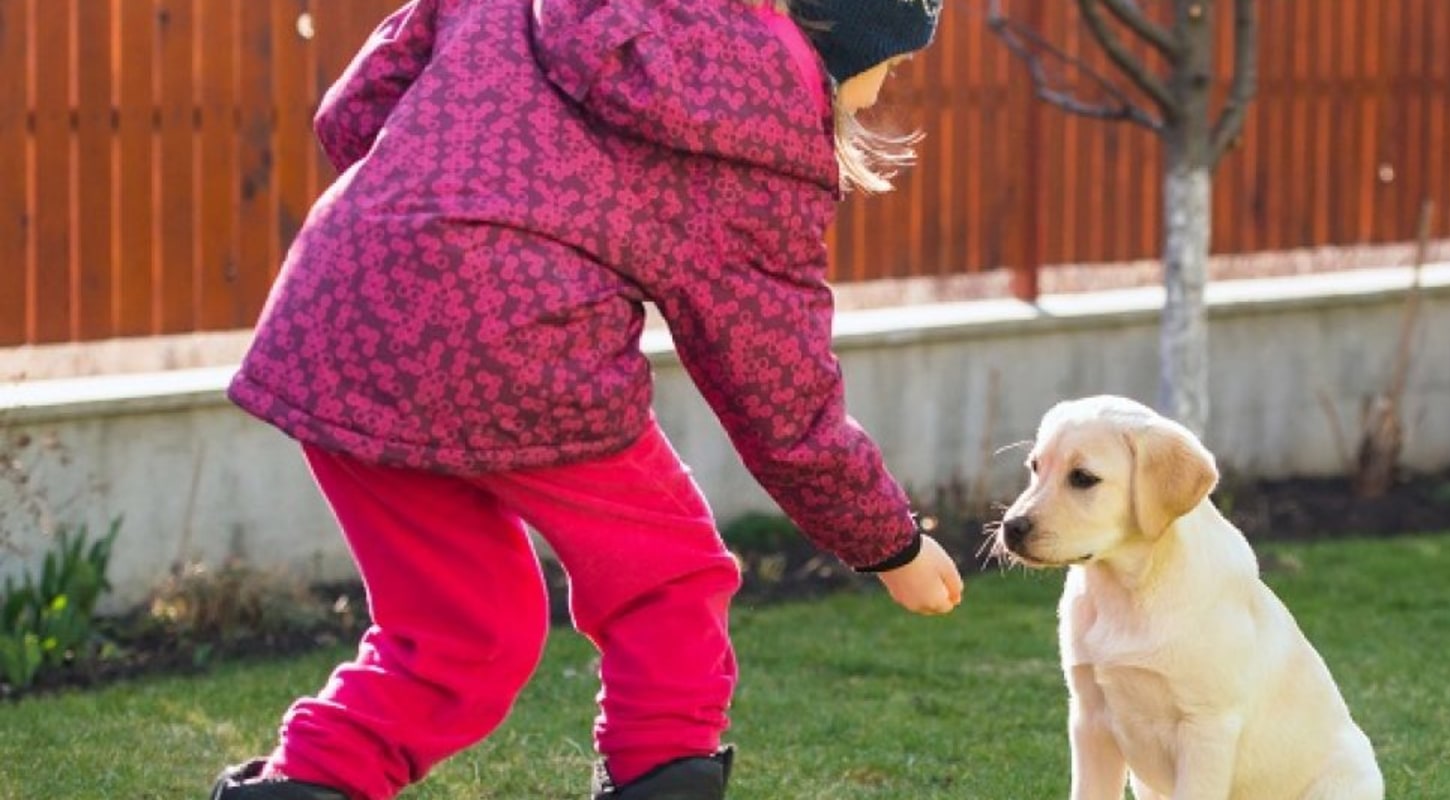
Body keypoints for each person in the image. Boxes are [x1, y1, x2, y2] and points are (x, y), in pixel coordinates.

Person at [208, 0, 957, 797]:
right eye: (893, 67)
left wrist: (438, 212)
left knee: (466, 630)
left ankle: (313, 781)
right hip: (528, 342)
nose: (876, 98)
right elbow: (777, 384)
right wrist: (890, 543)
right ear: (845, 34)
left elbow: (354, 108)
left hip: (345, 312)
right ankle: (661, 777)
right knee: (667, 578)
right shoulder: (767, 112)